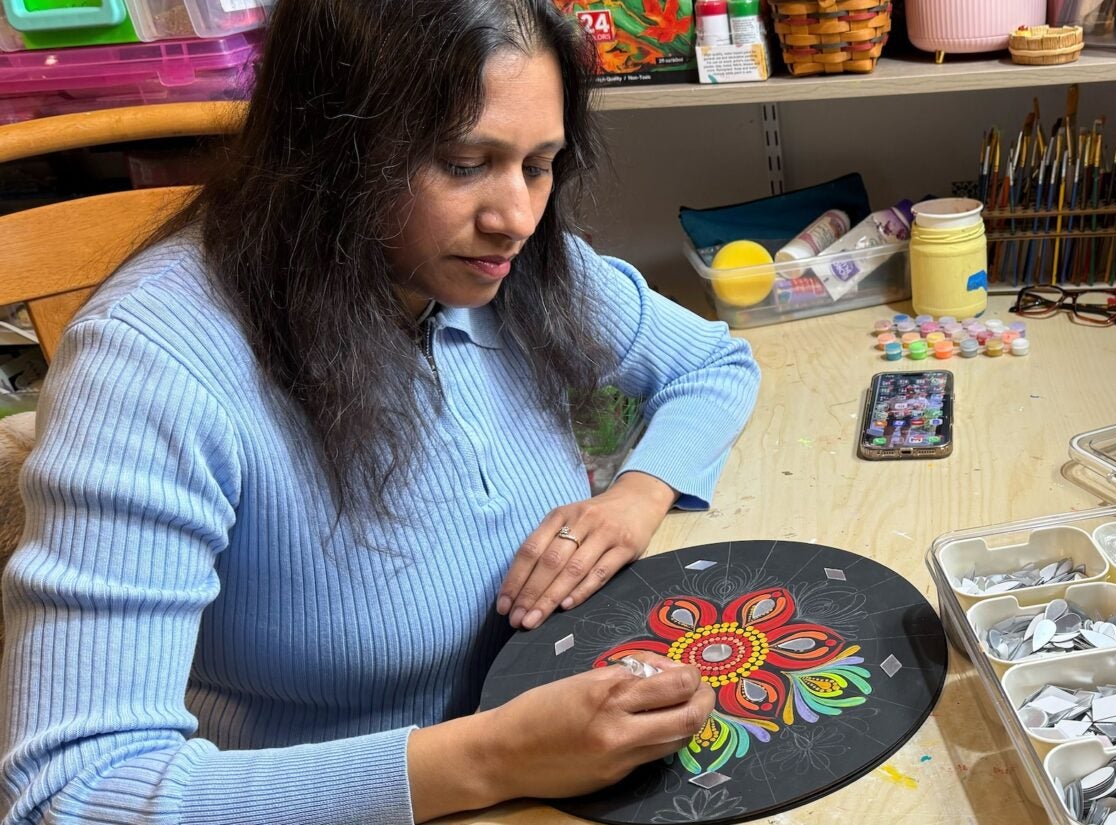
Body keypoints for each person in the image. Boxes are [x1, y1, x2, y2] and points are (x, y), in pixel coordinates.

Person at [0, 1, 760, 822]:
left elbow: (713, 365)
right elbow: (71, 795)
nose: (517, 219)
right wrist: (493, 757)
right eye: (466, 163)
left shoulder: (510, 265)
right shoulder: (152, 365)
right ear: (330, 151)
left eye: (539, 165)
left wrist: (635, 494)